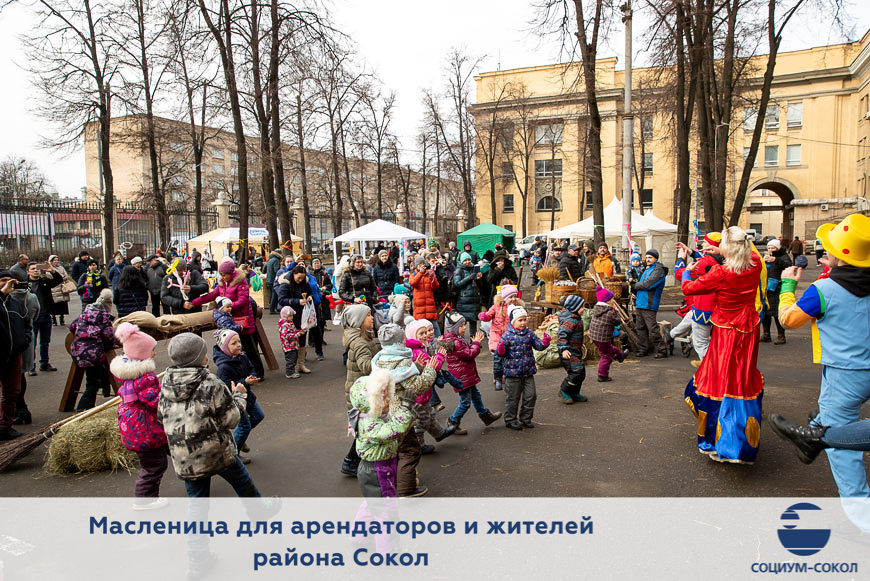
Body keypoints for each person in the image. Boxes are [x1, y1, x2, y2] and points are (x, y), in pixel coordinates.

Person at [776, 213, 870, 530]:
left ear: (837, 256)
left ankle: (864, 518)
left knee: (840, 447)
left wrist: (788, 285)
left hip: (845, 375)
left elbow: (789, 320)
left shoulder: (822, 289)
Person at [683, 226, 764, 464]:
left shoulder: (721, 273)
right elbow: (750, 254)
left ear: (727, 248)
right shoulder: (755, 265)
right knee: (741, 378)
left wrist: (687, 271)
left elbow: (689, 288)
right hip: (748, 329)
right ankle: (737, 439)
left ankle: (717, 441)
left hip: (728, 331)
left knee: (719, 379)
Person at [371, 323, 438, 497]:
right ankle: (406, 488)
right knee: (410, 450)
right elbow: (417, 386)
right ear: (401, 341)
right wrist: (430, 370)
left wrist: (416, 366)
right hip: (400, 413)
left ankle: (392, 482)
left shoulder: (379, 359)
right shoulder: (402, 361)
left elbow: (399, 375)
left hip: (384, 412)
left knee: (394, 451)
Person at [112, 322, 167, 510]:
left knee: (153, 462)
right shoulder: (145, 378)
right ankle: (144, 500)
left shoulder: (128, 375)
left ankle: (148, 497)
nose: (154, 353)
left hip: (134, 428)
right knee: (154, 466)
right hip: (145, 430)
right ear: (142, 354)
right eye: (151, 350)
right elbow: (156, 402)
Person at [348, 368, 415, 498]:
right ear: (371, 402)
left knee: (376, 503)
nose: (388, 400)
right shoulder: (369, 423)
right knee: (385, 503)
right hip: (376, 469)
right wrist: (405, 409)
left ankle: (365, 518)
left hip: (384, 464)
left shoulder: (377, 416)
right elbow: (393, 429)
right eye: (383, 398)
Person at [192, 259, 263, 379]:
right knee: (233, 348)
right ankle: (240, 372)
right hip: (230, 320)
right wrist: (195, 302)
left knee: (249, 348)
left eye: (224, 274)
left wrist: (227, 308)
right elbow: (212, 295)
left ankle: (258, 372)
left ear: (231, 273)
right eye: (221, 274)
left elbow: (243, 301)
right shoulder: (222, 283)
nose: (222, 277)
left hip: (243, 319)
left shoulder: (241, 283)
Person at [441, 312, 502, 435]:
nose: (465, 328)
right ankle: (453, 422)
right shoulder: (455, 342)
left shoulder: (455, 339)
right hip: (462, 377)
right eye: (462, 325)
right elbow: (469, 354)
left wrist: (472, 344)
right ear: (454, 328)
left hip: (465, 375)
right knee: (466, 402)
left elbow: (465, 351)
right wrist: (476, 344)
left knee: (476, 396)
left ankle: (485, 415)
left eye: (465, 325)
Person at [404, 320, 458, 453]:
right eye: (421, 333)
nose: (424, 335)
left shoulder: (418, 348)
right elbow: (432, 367)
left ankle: (439, 433)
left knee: (430, 414)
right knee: (422, 421)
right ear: (412, 335)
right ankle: (419, 445)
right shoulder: (417, 352)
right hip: (418, 395)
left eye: (425, 332)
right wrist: (440, 356)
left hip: (421, 393)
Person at [213, 328, 263, 465]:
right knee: (245, 426)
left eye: (239, 341)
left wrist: (252, 376)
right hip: (234, 401)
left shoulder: (242, 356)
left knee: (259, 416)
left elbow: (252, 367)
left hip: (247, 396)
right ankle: (234, 454)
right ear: (225, 347)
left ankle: (239, 437)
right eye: (233, 343)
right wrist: (244, 382)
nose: (238, 345)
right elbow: (225, 387)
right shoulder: (223, 367)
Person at [497, 306, 550, 430]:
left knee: (531, 395)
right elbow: (501, 354)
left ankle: (526, 418)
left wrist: (545, 341)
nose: (523, 323)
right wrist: (501, 348)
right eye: (520, 320)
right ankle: (510, 419)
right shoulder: (507, 336)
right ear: (513, 321)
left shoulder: (530, 334)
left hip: (528, 372)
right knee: (513, 398)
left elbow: (539, 346)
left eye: (525, 320)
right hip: (512, 373)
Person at [340, 304, 378, 477]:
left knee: (363, 429)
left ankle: (352, 461)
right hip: (361, 394)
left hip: (360, 391)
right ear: (359, 321)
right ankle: (350, 461)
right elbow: (365, 366)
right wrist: (384, 362)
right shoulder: (360, 342)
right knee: (364, 430)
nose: (372, 318)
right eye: (368, 316)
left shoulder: (364, 338)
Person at [673, 234, 724, 364]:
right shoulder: (723, 259)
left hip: (703, 306)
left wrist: (680, 259)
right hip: (716, 307)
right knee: (688, 318)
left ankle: (711, 369)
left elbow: (680, 274)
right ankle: (671, 335)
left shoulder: (705, 263)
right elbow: (703, 259)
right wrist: (690, 251)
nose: (702, 245)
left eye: (705, 243)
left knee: (700, 343)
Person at [69, 289, 116, 410]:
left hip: (78, 351)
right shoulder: (103, 317)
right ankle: (84, 407)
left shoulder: (84, 314)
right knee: (93, 382)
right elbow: (109, 335)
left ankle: (105, 388)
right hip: (93, 353)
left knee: (96, 374)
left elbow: (72, 326)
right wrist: (110, 344)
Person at [0, 272, 29, 440]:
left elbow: (26, 323)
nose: (7, 284)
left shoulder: (16, 303)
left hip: (14, 354)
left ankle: (5, 426)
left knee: (12, 392)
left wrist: (25, 339)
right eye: (3, 281)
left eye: (9, 281)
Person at [478, 285, 523, 392]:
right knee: (498, 358)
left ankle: (508, 376)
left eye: (514, 296)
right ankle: (497, 378)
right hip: (497, 335)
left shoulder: (517, 307)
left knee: (510, 358)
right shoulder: (496, 306)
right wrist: (484, 316)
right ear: (504, 298)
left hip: (510, 336)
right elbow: (489, 315)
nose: (513, 299)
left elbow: (521, 319)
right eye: (510, 297)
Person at [275, 265, 315, 374]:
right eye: (298, 278)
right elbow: (281, 300)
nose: (300, 280)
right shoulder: (285, 284)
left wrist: (310, 297)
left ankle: (301, 364)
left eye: (302, 278)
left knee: (302, 338)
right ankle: (291, 367)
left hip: (303, 315)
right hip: (290, 317)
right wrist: (297, 301)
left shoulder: (304, 283)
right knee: (292, 340)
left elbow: (310, 292)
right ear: (293, 275)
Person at [26, 260, 62, 373]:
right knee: (32, 343)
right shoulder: (25, 284)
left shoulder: (44, 281)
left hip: (45, 315)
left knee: (45, 342)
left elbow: (59, 280)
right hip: (32, 317)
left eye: (37, 268)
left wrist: (52, 270)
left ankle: (44, 363)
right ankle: (31, 366)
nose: (36, 270)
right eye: (32, 269)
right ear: (28, 272)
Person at [631, 249, 668, 359]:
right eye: (646, 257)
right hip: (640, 302)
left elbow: (648, 284)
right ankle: (643, 348)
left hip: (649, 303)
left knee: (652, 329)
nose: (647, 259)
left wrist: (634, 285)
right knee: (640, 328)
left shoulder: (659, 270)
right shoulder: (648, 269)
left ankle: (662, 349)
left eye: (650, 257)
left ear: (656, 258)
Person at [588, 286, 629, 383]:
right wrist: (617, 311)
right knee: (606, 355)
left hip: (595, 336)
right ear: (606, 301)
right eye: (611, 299)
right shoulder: (609, 312)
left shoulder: (598, 309)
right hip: (602, 337)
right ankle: (602, 375)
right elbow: (617, 322)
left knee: (610, 348)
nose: (613, 300)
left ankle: (620, 355)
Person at [557, 295, 588, 403]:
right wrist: (564, 349)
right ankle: (564, 390)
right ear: (575, 307)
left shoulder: (576, 318)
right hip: (568, 353)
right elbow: (562, 337)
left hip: (576, 351)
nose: (584, 309)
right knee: (576, 372)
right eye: (582, 307)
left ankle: (574, 392)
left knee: (581, 372)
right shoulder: (569, 321)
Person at [761, 238, 792, 344]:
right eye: (769, 248)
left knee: (777, 313)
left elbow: (788, 266)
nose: (771, 250)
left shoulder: (783, 256)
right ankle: (766, 334)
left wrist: (775, 260)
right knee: (766, 313)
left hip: (778, 287)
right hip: (767, 288)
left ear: (778, 248)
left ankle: (781, 335)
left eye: (773, 248)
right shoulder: (765, 257)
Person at [453, 252, 483, 336]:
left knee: (473, 322)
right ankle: (461, 341)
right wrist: (470, 277)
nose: (467, 262)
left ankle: (473, 340)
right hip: (463, 301)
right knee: (462, 323)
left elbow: (480, 286)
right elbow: (457, 284)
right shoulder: (459, 270)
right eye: (465, 260)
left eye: (469, 259)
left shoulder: (474, 268)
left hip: (474, 300)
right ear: (462, 261)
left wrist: (479, 278)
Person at [410, 256, 440, 334]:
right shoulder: (413, 275)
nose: (421, 265)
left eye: (422, 263)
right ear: (416, 266)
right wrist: (420, 273)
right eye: (419, 264)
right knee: (421, 331)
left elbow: (435, 286)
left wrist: (433, 277)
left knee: (435, 329)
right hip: (419, 310)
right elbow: (413, 283)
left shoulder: (428, 274)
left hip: (430, 308)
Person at [278, 305, 303, 379]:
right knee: (290, 359)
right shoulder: (285, 325)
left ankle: (292, 371)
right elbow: (286, 335)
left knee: (293, 358)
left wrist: (298, 332)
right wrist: (296, 335)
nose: (292, 317)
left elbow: (293, 331)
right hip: (288, 346)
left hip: (292, 345)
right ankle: (289, 372)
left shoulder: (289, 323)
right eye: (290, 316)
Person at [48, 255, 71, 326]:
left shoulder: (61, 267)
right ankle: (54, 319)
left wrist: (61, 277)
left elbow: (66, 275)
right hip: (54, 289)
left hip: (62, 288)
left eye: (57, 260)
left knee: (62, 304)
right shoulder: (49, 268)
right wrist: (60, 277)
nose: (56, 261)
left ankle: (62, 318)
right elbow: (49, 276)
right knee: (54, 304)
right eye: (54, 260)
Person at [265, 249, 283, 314]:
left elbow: (265, 268)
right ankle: (272, 309)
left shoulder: (270, 260)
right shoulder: (276, 260)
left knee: (272, 294)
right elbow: (277, 270)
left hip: (269, 279)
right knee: (274, 295)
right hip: (273, 280)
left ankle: (272, 308)